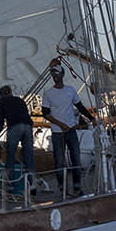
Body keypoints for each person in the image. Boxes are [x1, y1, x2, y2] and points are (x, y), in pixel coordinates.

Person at [41, 66, 92, 197]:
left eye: (57, 73)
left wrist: (92, 118)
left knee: (76, 158)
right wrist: (60, 124)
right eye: (53, 74)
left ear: (62, 74)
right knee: (59, 160)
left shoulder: (70, 91)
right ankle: (62, 188)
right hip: (57, 132)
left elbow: (80, 107)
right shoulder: (48, 93)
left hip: (71, 130)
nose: (55, 76)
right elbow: (45, 113)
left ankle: (77, 186)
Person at [0, 84, 34, 203]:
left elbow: (0, 120)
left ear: (1, 94)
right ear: (11, 92)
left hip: (15, 127)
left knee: (10, 155)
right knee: (29, 156)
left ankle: (9, 185)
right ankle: (32, 185)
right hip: (28, 126)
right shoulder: (19, 100)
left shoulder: (0, 103)